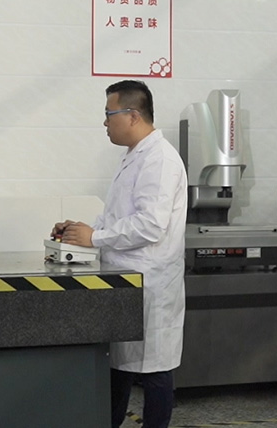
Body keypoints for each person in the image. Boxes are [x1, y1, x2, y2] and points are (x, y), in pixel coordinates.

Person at [51, 80, 187, 428]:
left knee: (154, 370)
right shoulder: (135, 156)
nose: (105, 122)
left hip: (151, 283)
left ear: (133, 115)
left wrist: (95, 237)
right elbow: (117, 216)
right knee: (122, 365)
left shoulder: (160, 160)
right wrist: (79, 230)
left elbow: (150, 225)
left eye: (109, 114)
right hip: (126, 281)